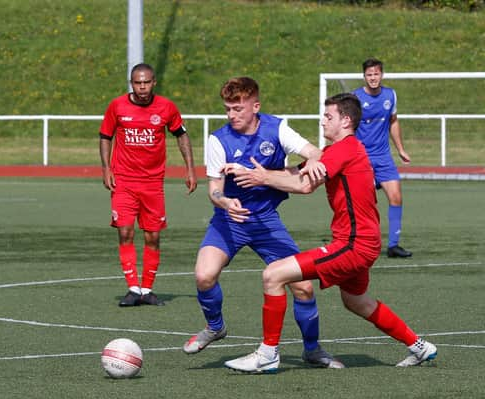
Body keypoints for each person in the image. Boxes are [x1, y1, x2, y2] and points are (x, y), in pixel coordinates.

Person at [224, 93, 437, 373]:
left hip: (354, 245)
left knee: (273, 274)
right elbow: (294, 173)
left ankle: (267, 355)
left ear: (345, 120)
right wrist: (252, 171)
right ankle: (420, 346)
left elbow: (303, 185)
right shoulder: (339, 151)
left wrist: (262, 177)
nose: (322, 121)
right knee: (356, 301)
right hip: (363, 242)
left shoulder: (344, 150)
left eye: (328, 116)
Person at [182, 76, 343, 369]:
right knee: (204, 275)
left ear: (255, 106)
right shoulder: (218, 139)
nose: (231, 115)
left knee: (304, 287)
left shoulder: (276, 128)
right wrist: (225, 202)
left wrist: (314, 163)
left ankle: (312, 349)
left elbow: (313, 153)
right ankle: (215, 327)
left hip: (266, 221)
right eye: (227, 109)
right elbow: (214, 188)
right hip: (228, 221)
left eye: (238, 109)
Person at [99, 63, 198, 307]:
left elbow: (181, 135)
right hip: (123, 181)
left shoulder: (166, 107)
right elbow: (105, 136)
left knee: (152, 236)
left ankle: (147, 289)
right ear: (131, 83)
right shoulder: (117, 106)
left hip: (153, 183)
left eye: (146, 82)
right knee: (125, 232)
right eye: (137, 82)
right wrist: (106, 168)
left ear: (154, 82)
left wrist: (190, 168)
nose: (142, 87)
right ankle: (132, 288)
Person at [353, 58, 412, 258]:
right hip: (362, 159)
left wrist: (401, 150)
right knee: (365, 203)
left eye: (376, 74)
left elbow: (393, 122)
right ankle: (362, 243)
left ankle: (393, 245)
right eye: (369, 75)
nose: (373, 78)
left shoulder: (390, 95)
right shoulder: (356, 98)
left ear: (381, 75)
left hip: (384, 158)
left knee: (396, 197)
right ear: (364, 77)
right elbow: (348, 129)